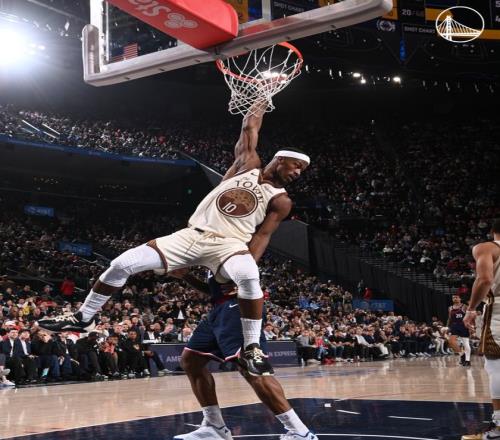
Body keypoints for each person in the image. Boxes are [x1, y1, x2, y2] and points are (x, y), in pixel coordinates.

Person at [38, 101, 310, 377]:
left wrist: (245, 263)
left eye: (302, 170)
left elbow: (262, 236)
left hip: (230, 244)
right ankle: (84, 316)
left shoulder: (282, 201)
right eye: (297, 165)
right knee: (122, 264)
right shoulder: (247, 164)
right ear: (280, 159)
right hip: (192, 235)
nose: (298, 173)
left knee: (250, 277)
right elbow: (250, 127)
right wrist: (261, 99)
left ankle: (252, 348)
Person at [171, 268, 318, 440]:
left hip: (239, 306)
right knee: (191, 361)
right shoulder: (209, 259)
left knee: (252, 368)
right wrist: (186, 276)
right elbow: (214, 289)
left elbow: (253, 255)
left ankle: (300, 432)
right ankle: (214, 426)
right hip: (218, 310)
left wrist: (245, 280)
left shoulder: (234, 252)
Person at [462, 219, 500, 440]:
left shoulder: (487, 247)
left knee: (496, 367)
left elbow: (484, 279)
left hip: (498, 311)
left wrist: (471, 309)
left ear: (493, 231)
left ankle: (499, 428)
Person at [447, 294, 471, 366]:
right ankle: (462, 355)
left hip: (463, 325)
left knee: (465, 343)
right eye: (453, 297)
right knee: (451, 342)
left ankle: (467, 360)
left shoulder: (464, 306)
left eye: (456, 297)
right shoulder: (450, 308)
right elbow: (449, 318)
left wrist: (471, 326)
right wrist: (447, 327)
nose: (455, 298)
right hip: (454, 325)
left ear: (460, 299)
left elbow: (469, 316)